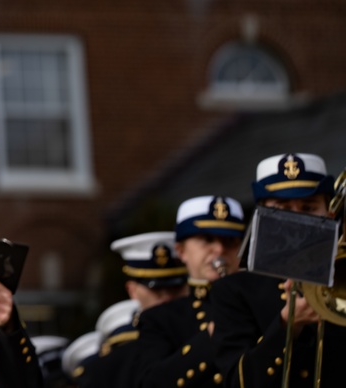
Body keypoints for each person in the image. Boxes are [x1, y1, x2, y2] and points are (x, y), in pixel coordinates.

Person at [211, 153, 346, 387]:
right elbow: (236, 381)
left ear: (330, 214)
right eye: (282, 208)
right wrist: (287, 325)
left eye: (308, 207)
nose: (296, 219)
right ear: (261, 216)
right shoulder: (234, 291)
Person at [133, 196, 246, 387]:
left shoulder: (262, 304)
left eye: (229, 241)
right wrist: (210, 337)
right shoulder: (160, 319)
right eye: (207, 239)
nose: (219, 249)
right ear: (181, 251)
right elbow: (151, 383)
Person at [74, 231, 189, 387]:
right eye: (156, 290)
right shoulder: (109, 369)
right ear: (132, 291)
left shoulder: (207, 336)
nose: (166, 298)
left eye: (175, 288)